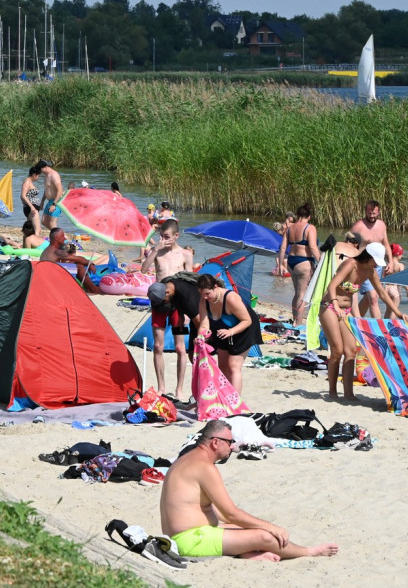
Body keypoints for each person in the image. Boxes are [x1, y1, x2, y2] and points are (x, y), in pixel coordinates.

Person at [159, 419, 339, 561]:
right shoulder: (205, 467)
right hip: (190, 541)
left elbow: (204, 508)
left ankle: (244, 552)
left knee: (244, 528)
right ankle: (309, 552)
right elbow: (230, 514)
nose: (232, 446)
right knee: (266, 536)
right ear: (215, 442)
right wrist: (271, 527)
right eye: (229, 441)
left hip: (184, 535)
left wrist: (245, 527)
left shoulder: (186, 459)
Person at [319, 243, 408, 400]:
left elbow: (381, 292)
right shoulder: (350, 264)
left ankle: (348, 394)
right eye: (375, 260)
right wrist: (335, 305)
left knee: (351, 352)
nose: (376, 265)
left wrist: (397, 312)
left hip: (346, 311)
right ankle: (332, 392)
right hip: (329, 307)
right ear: (368, 256)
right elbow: (332, 285)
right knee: (337, 350)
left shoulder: (370, 271)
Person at [140, 219, 194, 400]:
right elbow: (143, 269)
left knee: (180, 348)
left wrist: (187, 311)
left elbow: (190, 282)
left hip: (178, 305)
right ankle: (161, 386)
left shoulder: (185, 254)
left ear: (177, 236)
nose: (164, 239)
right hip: (159, 303)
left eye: (167, 236)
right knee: (157, 346)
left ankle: (179, 389)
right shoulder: (158, 252)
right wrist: (155, 249)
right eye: (161, 236)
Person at [196, 273, 262, 397]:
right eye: (202, 294)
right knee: (222, 365)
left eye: (207, 293)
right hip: (222, 330)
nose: (205, 297)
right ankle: (223, 396)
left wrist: (231, 331)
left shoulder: (230, 298)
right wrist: (201, 336)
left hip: (245, 328)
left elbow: (247, 320)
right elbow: (204, 324)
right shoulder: (204, 300)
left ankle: (235, 401)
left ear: (215, 287)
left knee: (233, 365)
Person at [278, 203, 321, 324]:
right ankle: (298, 322)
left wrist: (280, 265)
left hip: (291, 262)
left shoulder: (290, 228)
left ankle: (295, 320)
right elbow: (313, 247)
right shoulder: (310, 228)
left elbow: (282, 248)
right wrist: (321, 262)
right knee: (303, 294)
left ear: (297, 215)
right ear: (309, 216)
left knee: (297, 293)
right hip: (304, 262)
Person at [349, 201, 392, 317]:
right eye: (369, 213)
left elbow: (386, 244)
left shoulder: (382, 225)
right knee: (373, 297)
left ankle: (357, 320)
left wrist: (391, 262)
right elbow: (348, 245)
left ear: (378, 212)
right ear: (365, 212)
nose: (371, 216)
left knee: (371, 298)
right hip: (362, 265)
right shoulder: (358, 226)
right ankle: (377, 328)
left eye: (374, 213)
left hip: (377, 266)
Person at [40, 227, 101, 293]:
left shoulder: (47, 250)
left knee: (72, 262)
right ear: (56, 238)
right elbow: (79, 259)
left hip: (46, 277)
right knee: (79, 266)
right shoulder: (56, 251)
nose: (65, 238)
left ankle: (90, 287)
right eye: (62, 236)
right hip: (52, 279)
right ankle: (92, 289)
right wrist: (90, 263)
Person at [37, 160, 63, 231]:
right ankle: (58, 235)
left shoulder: (54, 175)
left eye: (40, 168)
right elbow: (46, 190)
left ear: (45, 167)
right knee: (44, 221)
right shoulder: (46, 176)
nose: (40, 171)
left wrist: (54, 204)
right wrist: (42, 201)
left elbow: (60, 190)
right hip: (50, 201)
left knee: (52, 224)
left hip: (56, 201)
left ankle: (60, 237)